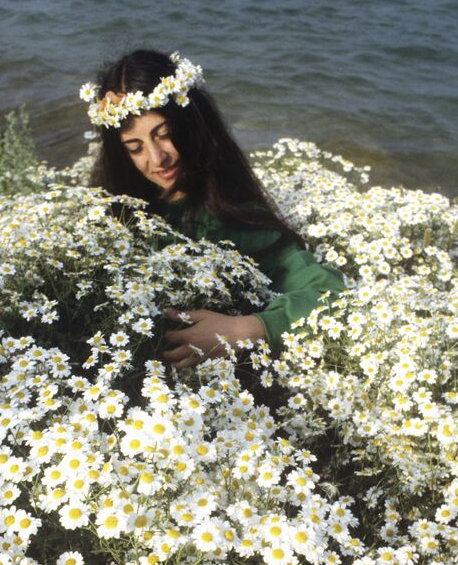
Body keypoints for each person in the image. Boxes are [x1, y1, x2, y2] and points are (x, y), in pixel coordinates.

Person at [84, 49, 345, 370]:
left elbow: (329, 294)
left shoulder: (235, 217)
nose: (156, 159)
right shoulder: (114, 216)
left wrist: (244, 329)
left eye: (164, 135)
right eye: (135, 147)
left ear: (189, 124)